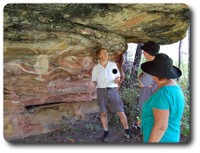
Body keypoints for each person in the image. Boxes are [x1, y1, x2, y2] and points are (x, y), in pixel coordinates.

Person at [140, 53, 185, 143]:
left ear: (155, 74)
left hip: (162, 140)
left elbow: (161, 127)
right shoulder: (174, 88)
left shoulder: (163, 94)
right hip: (170, 136)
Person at [92, 48, 131, 142]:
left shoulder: (112, 65)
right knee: (103, 112)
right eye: (103, 53)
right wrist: (95, 84)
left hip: (112, 90)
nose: (106, 54)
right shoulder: (96, 68)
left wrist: (117, 80)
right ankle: (106, 132)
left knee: (120, 111)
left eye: (106, 52)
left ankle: (127, 130)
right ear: (99, 55)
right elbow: (94, 80)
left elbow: (117, 75)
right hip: (101, 91)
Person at [138, 41, 160, 111]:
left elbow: (142, 83)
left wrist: (141, 80)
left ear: (148, 52)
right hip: (154, 102)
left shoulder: (152, 67)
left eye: (144, 51)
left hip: (148, 102)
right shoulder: (157, 64)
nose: (143, 53)